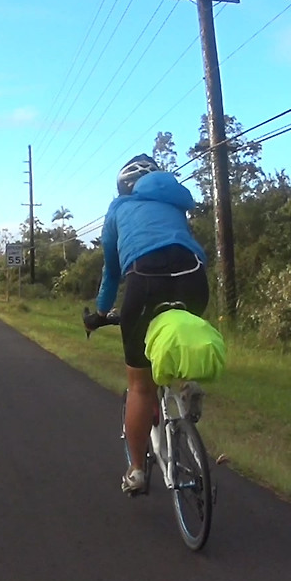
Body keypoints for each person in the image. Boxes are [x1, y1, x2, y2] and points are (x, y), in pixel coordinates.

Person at [85, 154, 209, 494]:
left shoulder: (118, 209)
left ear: (123, 187)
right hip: (194, 278)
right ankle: (185, 383)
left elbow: (112, 271)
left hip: (145, 281)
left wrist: (100, 313)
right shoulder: (175, 203)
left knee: (140, 387)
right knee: (178, 336)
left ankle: (137, 470)